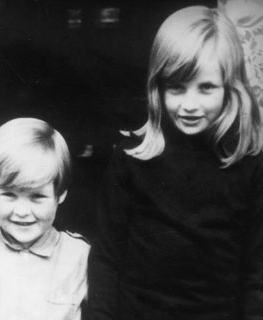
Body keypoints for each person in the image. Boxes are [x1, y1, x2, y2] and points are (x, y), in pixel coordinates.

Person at [86, 5, 263, 320]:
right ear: (158, 88)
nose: (190, 105)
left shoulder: (250, 165)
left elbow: (257, 276)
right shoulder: (130, 159)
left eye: (206, 88)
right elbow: (105, 260)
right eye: (176, 88)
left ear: (230, 87)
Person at [0, 118, 90, 320]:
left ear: (60, 194)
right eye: (10, 195)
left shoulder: (81, 257)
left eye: (37, 196)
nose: (21, 211)